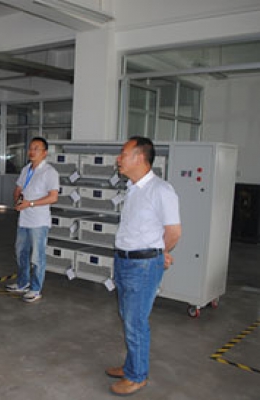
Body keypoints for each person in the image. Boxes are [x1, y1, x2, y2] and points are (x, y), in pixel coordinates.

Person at [106, 136, 181, 396]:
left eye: (123, 154)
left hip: (143, 265)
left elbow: (174, 231)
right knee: (128, 317)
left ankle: (137, 376)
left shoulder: (161, 190)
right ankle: (131, 365)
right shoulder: (133, 188)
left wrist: (161, 253)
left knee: (135, 322)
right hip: (125, 261)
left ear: (139, 158)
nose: (118, 159)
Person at [5, 137, 59, 303]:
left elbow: (53, 197)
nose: (32, 151)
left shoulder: (50, 172)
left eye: (36, 148)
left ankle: (35, 289)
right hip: (24, 219)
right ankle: (23, 283)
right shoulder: (26, 169)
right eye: (30, 148)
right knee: (20, 252)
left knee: (37, 257)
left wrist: (31, 203)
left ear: (44, 153)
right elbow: (18, 189)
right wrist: (17, 201)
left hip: (39, 222)